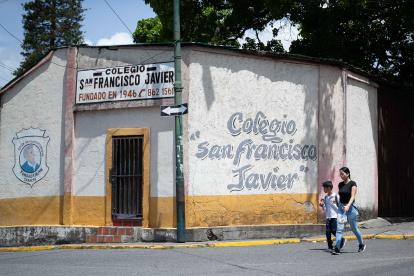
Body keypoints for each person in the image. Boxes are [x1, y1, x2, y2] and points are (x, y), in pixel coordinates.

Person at [332, 167, 366, 255]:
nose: (341, 176)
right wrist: (336, 201)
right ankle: (337, 247)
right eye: (340, 174)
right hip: (341, 208)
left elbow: (352, 196)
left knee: (354, 228)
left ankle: (361, 244)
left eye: (342, 174)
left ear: (348, 174)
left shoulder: (353, 184)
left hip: (350, 208)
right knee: (339, 228)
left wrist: (348, 205)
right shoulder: (340, 184)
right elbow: (340, 196)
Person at [319, 180, 345, 251]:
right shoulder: (326, 197)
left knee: (334, 230)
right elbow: (326, 208)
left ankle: (341, 240)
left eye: (325, 188)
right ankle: (330, 246)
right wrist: (322, 205)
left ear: (329, 188)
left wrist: (342, 214)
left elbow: (341, 206)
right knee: (327, 232)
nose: (324, 189)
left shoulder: (336, 196)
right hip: (328, 217)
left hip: (335, 216)